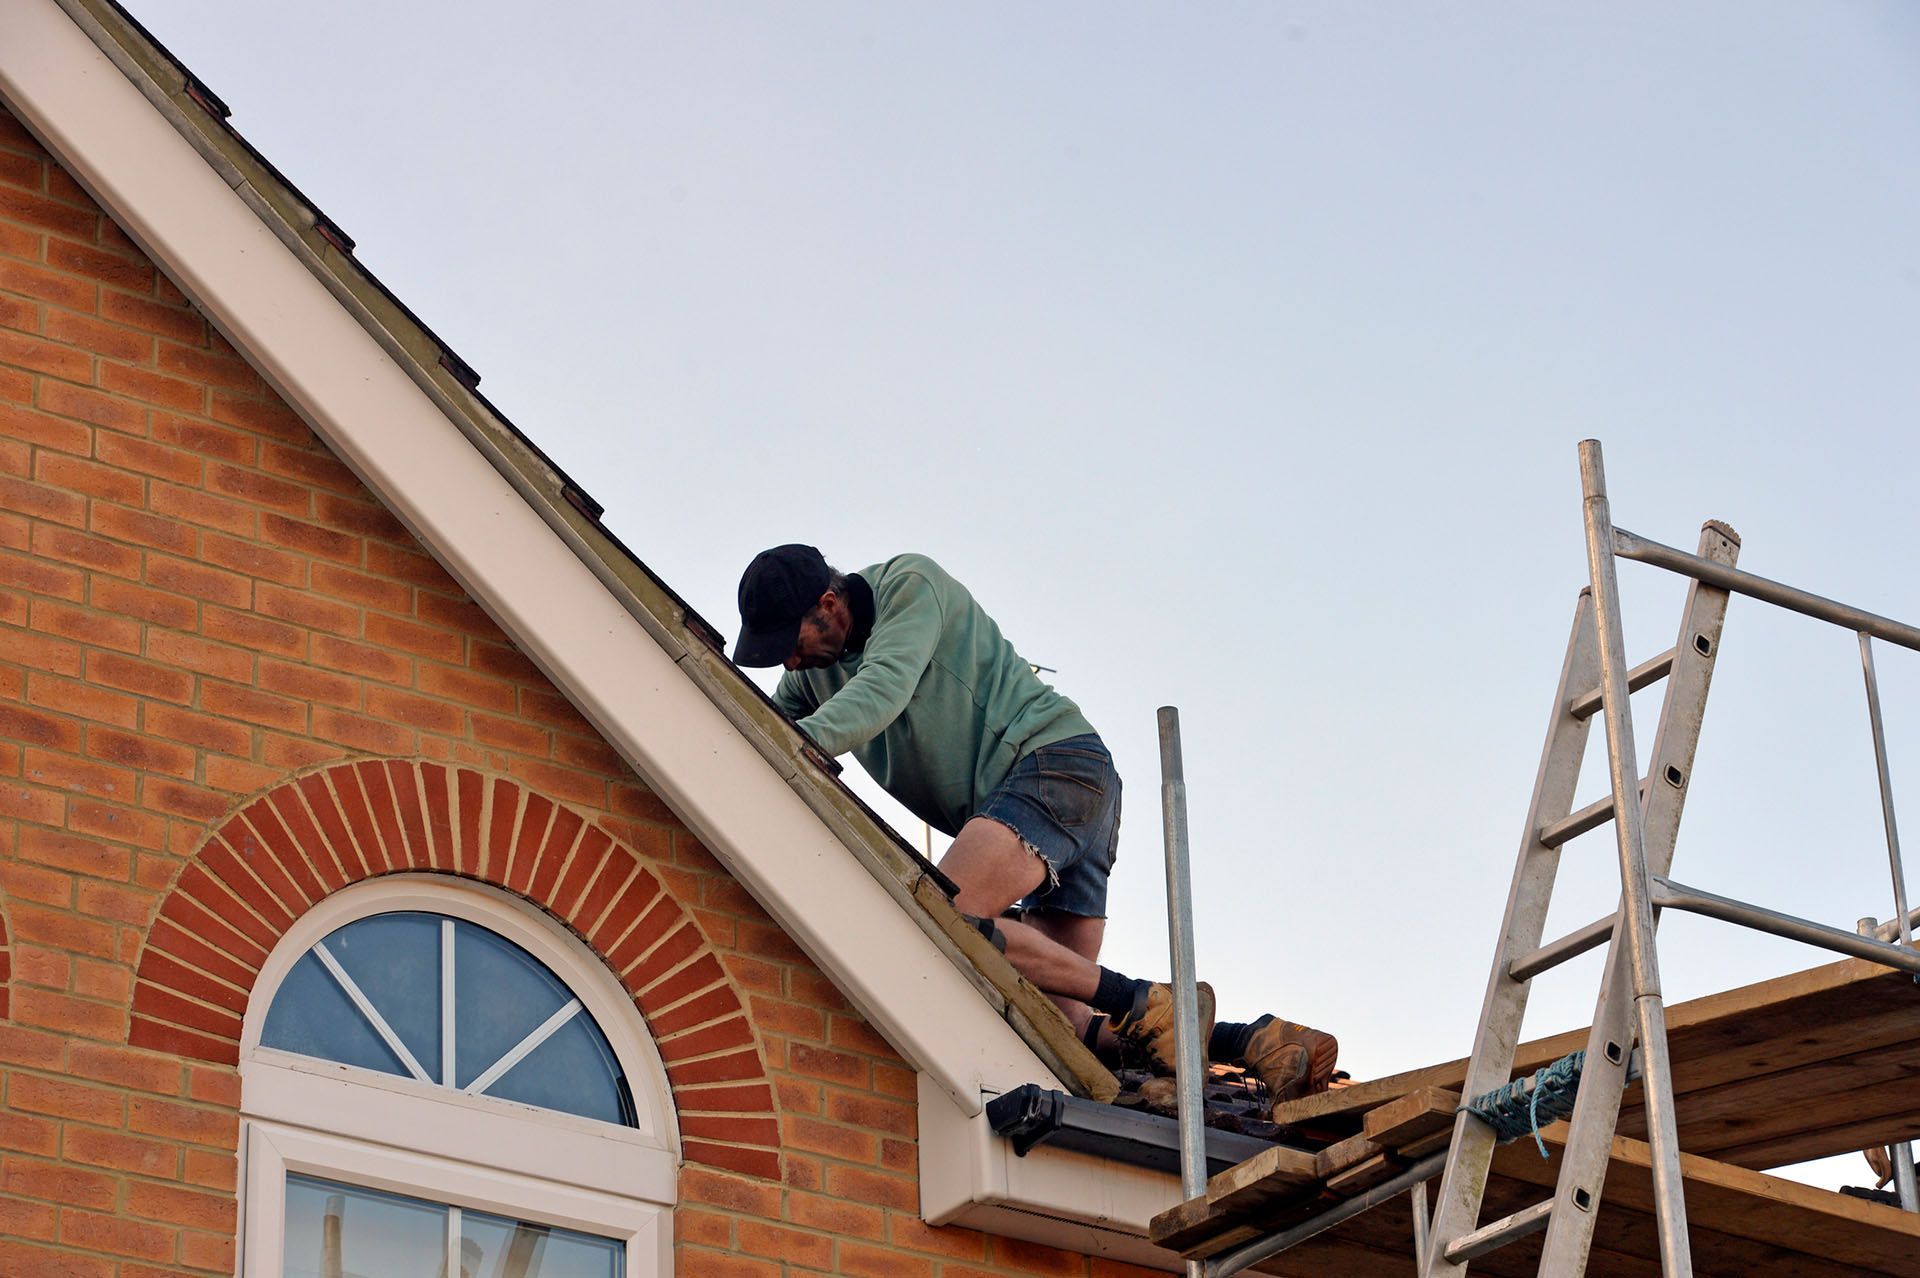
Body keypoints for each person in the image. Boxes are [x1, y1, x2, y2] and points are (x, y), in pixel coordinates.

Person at [733, 544, 1339, 1109]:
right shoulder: (809, 677)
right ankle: (1261, 1042)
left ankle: (1148, 1003)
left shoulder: (908, 587)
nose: (789, 661)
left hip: (1052, 766)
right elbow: (768, 729)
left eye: (792, 641)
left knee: (947, 913)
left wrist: (789, 750)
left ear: (830, 606)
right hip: (1041, 799)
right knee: (1062, 1024)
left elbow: (881, 688)